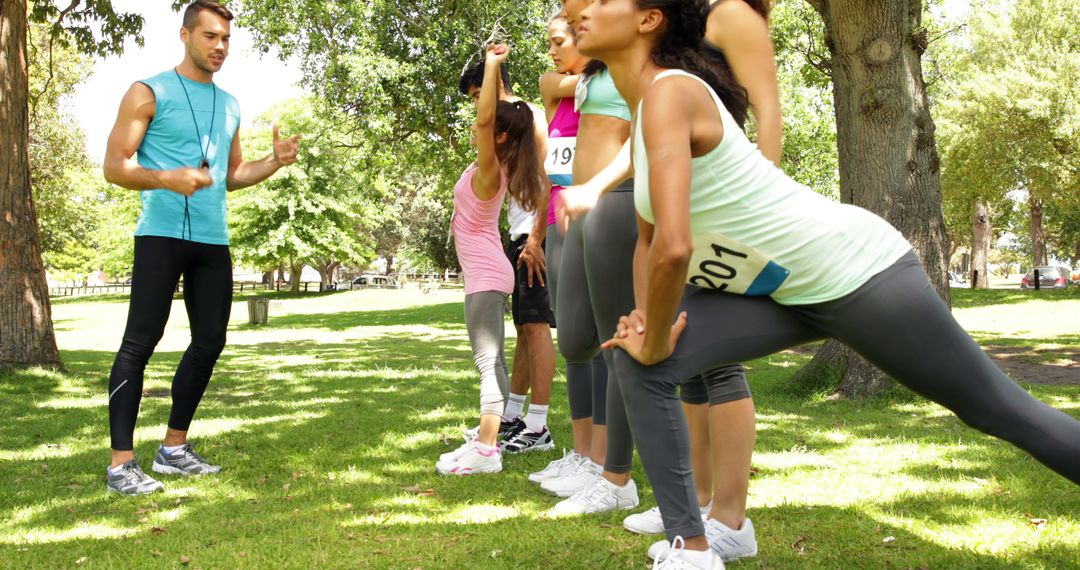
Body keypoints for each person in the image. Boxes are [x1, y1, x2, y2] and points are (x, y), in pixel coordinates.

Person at [578, 0, 1080, 567]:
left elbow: (674, 245)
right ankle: (695, 548)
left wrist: (656, 329)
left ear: (649, 19)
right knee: (641, 364)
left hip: (862, 272)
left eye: (602, 0)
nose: (584, 9)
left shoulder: (672, 93)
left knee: (995, 410)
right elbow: (648, 241)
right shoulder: (647, 111)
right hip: (785, 293)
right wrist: (647, 323)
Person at [101, 0, 301, 495]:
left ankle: (172, 449)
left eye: (227, 39)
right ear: (186, 35)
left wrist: (272, 163)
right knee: (139, 344)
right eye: (211, 36)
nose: (220, 47)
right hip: (161, 236)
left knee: (211, 341)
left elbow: (232, 176)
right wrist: (165, 177)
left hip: (213, 240)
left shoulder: (231, 104)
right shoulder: (147, 92)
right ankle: (121, 464)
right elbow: (114, 166)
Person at [437, 43, 545, 476]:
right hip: (487, 270)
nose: (476, 126)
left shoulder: (490, 168)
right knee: (494, 361)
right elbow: (485, 119)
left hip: (485, 273)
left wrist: (494, 64)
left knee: (487, 362)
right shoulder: (495, 164)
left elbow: (485, 117)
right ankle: (489, 442)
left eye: (485, 126)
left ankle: (485, 450)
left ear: (499, 135)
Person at [527, 11, 613, 486]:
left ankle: (601, 459)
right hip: (561, 220)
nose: (554, 50)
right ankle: (582, 455)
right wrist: (537, 233)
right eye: (551, 42)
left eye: (563, 40)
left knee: (600, 341)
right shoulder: (561, 89)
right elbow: (551, 172)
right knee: (574, 343)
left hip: (597, 218)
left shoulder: (607, 86)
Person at [457, 53, 557, 454]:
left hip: (537, 236)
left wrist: (535, 238)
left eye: (480, 93)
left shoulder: (527, 115)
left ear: (498, 84)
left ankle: (538, 425)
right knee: (523, 330)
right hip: (518, 235)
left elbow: (548, 181)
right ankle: (513, 416)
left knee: (536, 329)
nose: (477, 104)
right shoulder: (504, 127)